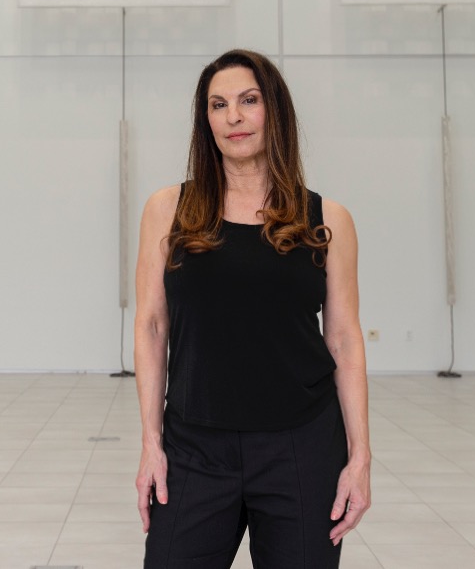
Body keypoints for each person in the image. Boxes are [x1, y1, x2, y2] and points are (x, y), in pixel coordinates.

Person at [133, 49, 372, 569]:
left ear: (275, 112)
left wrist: (360, 456)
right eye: (218, 105)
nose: (233, 117)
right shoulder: (168, 210)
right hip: (195, 443)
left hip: (301, 446)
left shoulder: (327, 219)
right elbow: (152, 326)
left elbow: (344, 340)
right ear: (207, 121)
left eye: (248, 100)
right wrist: (152, 443)